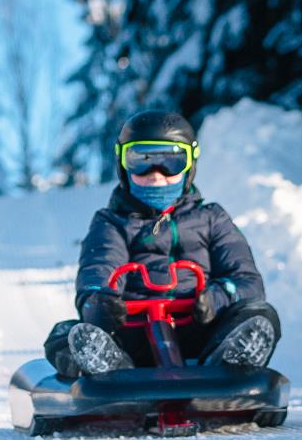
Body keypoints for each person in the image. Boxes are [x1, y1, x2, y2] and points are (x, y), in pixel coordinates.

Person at [42, 110, 279, 378]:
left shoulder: (212, 218)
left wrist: (217, 298)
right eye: (141, 162)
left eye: (171, 162)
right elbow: (99, 269)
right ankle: (111, 369)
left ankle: (229, 363)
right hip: (133, 334)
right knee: (67, 334)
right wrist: (100, 302)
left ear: (189, 165)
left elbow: (247, 280)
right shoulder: (112, 222)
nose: (156, 175)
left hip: (201, 329)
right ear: (123, 166)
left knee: (259, 313)